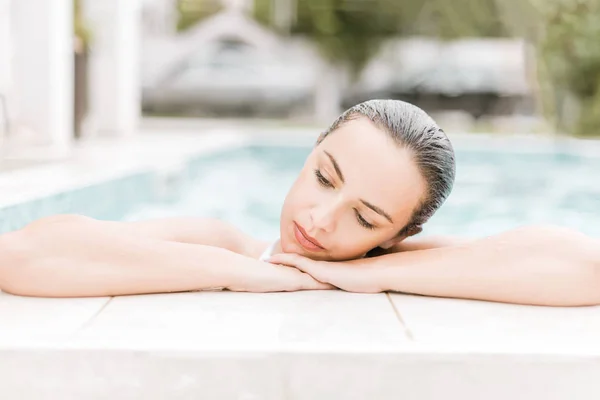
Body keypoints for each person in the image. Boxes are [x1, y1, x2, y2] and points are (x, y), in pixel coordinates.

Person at [0, 100, 598, 306]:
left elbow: (584, 266)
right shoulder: (225, 241)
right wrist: (248, 273)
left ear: (399, 234)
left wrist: (372, 274)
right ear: (311, 152)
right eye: (323, 177)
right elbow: (21, 256)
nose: (319, 220)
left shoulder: (397, 262)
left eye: (365, 218)